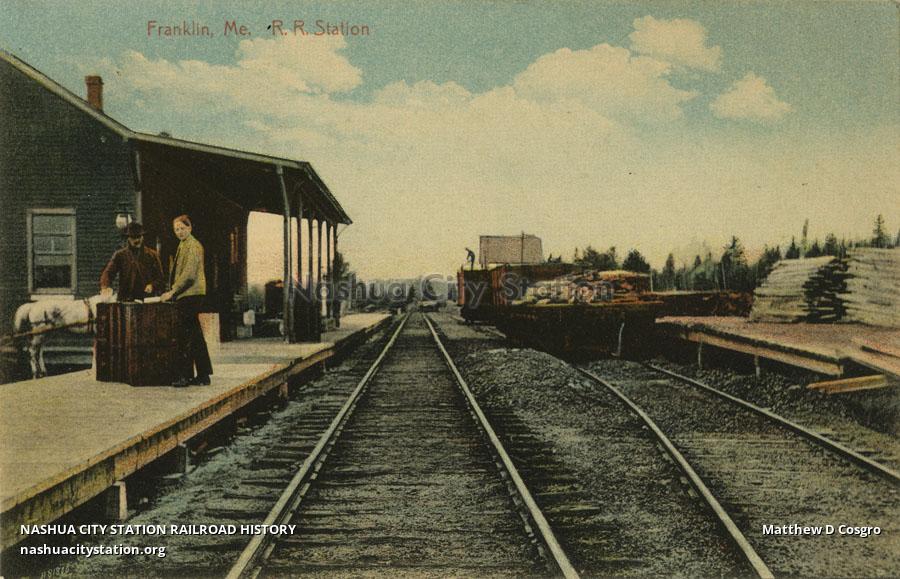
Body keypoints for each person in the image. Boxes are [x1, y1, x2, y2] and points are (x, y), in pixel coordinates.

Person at [160, 215, 212, 387]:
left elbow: (189, 275)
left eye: (182, 228)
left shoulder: (193, 246)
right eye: (176, 229)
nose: (179, 232)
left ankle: (185, 376)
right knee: (195, 335)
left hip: (190, 295)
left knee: (183, 336)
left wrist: (172, 292)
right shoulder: (184, 245)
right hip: (189, 294)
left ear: (190, 228)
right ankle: (203, 375)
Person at [99, 222, 164, 301]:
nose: (137, 240)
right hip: (125, 299)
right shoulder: (120, 255)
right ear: (128, 238)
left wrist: (152, 285)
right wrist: (105, 287)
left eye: (139, 237)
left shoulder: (152, 255)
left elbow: (160, 278)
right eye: (133, 237)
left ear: (142, 237)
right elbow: (108, 273)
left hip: (146, 300)